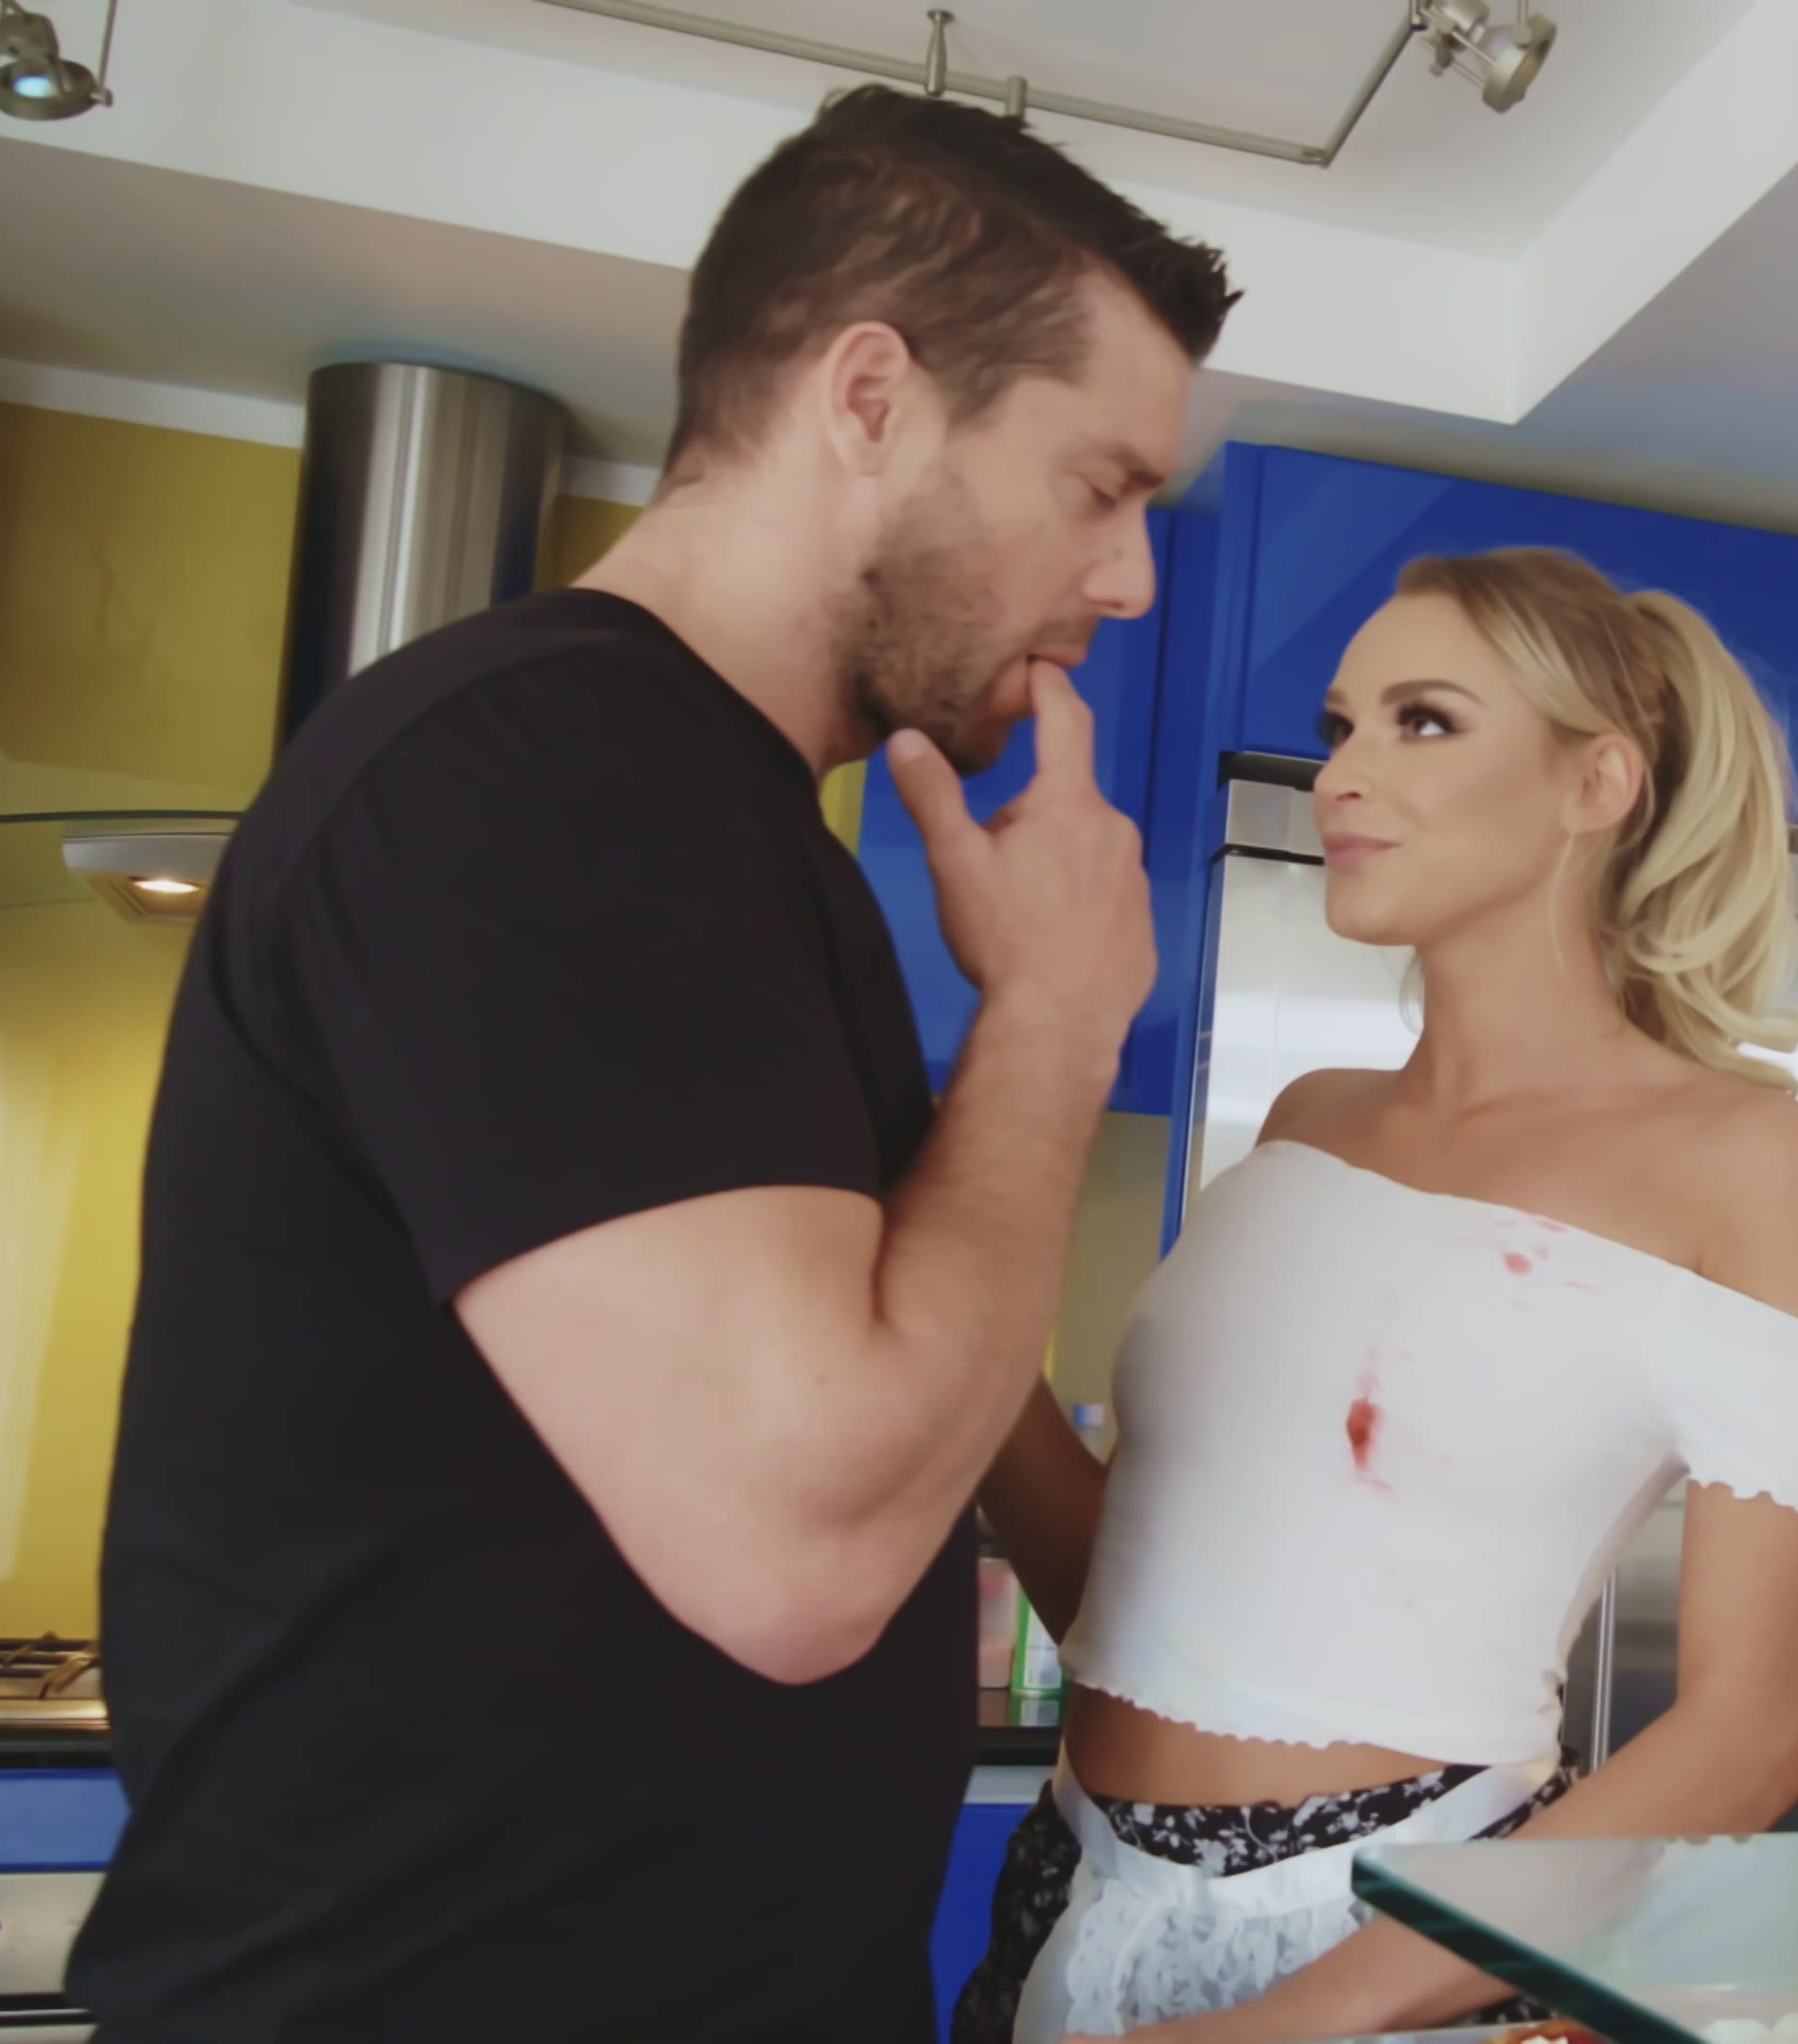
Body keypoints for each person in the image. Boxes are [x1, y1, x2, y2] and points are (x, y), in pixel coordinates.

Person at [73, 89, 1232, 2042]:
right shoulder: (545, 770)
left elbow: (900, 1407)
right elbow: (803, 1550)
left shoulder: (723, 825)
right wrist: (1053, 1016)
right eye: (1097, 485)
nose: (1126, 580)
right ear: (870, 399)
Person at [952, 548, 1798, 2044]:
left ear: (1597, 784)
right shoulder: (1306, 1121)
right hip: (1075, 1889)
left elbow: (1744, 1741)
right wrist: (956, 1307)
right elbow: (1128, 1603)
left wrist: (1278, 2027)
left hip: (1399, 1938)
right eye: (1339, 727)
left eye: (1423, 721)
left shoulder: (1752, 1164)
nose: (1341, 776)